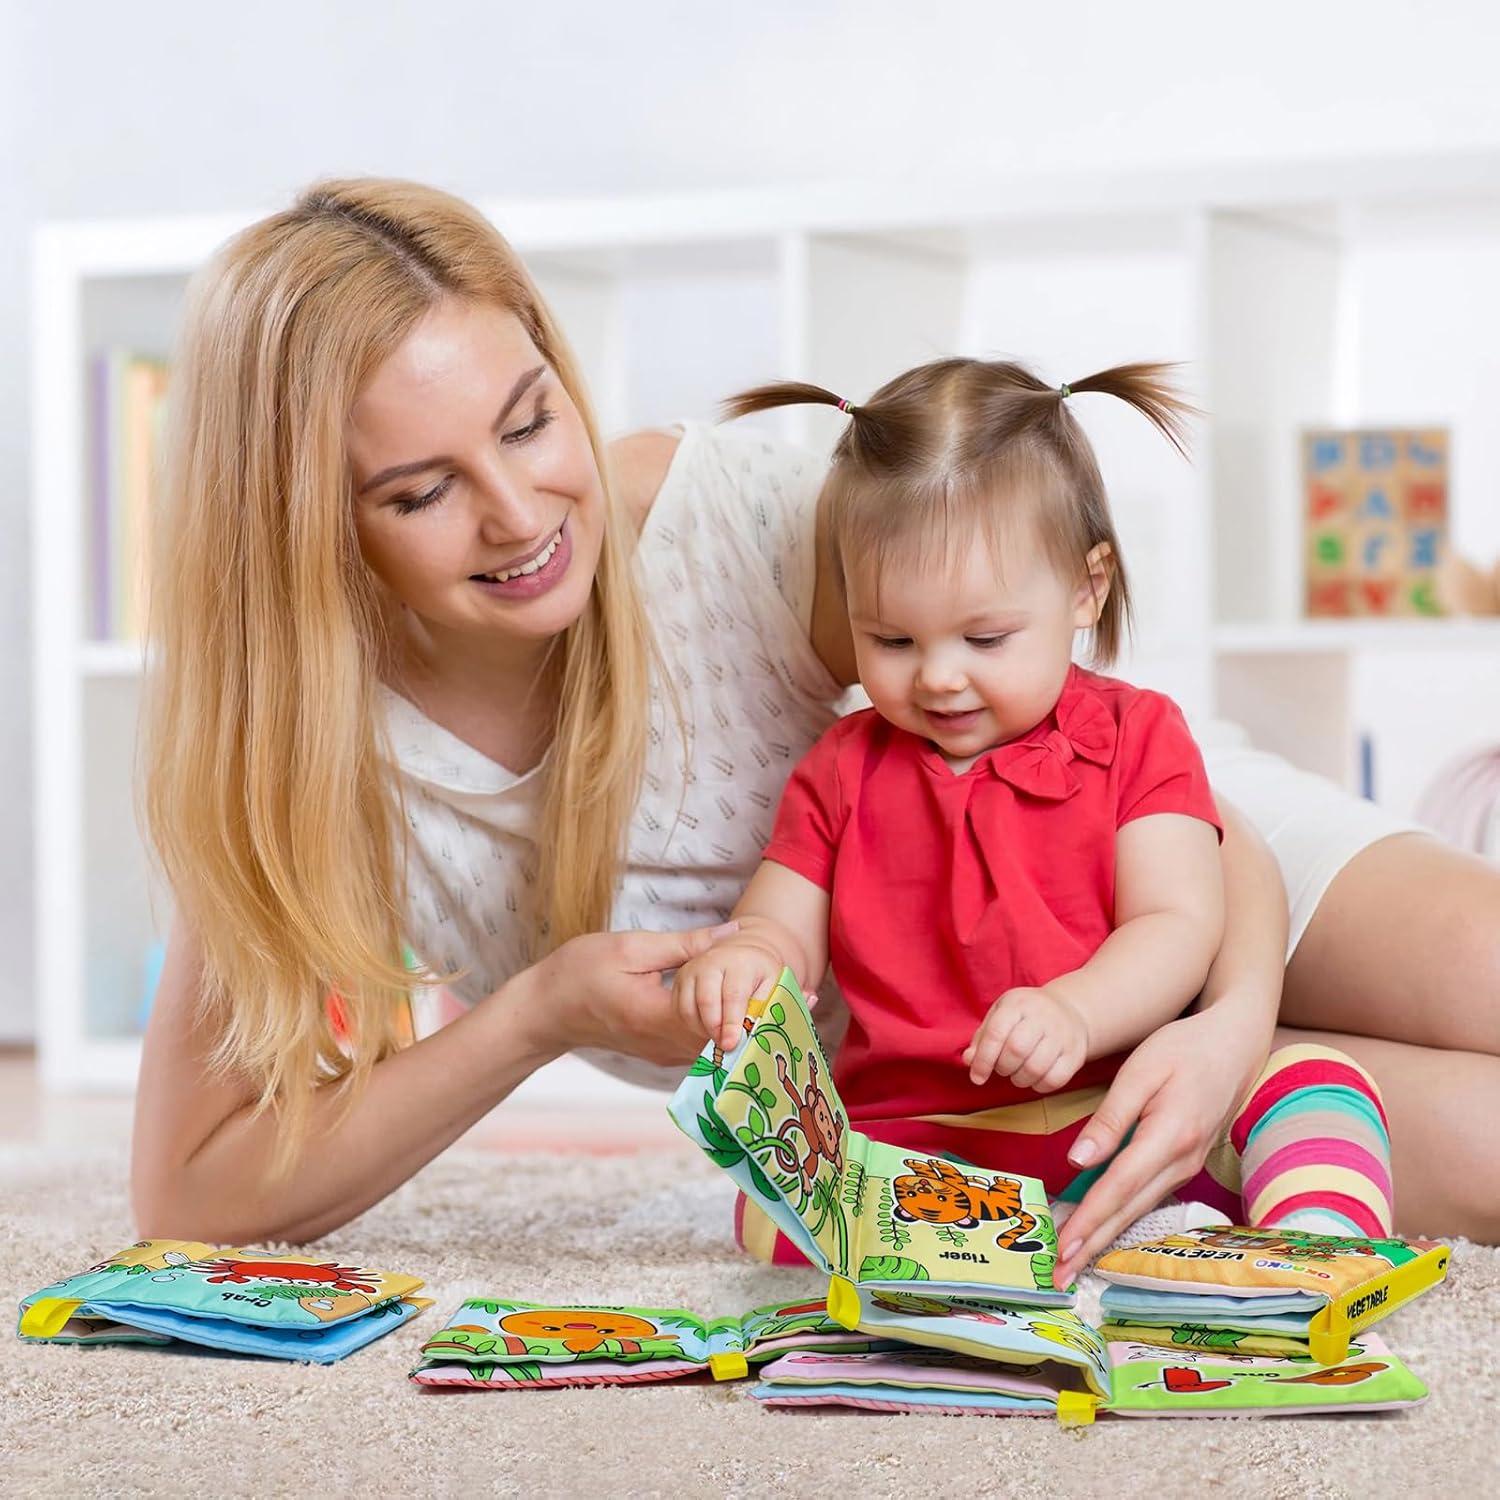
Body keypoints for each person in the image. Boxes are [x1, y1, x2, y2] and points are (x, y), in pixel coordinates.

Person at [132, 178, 1500, 1273]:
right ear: (305, 527)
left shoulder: (720, 526)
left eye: (531, 419)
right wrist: (534, 1017)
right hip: (976, 1090)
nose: (522, 514)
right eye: (423, 492)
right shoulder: (313, 765)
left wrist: (1225, 1023)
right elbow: (188, 1187)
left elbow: (1147, 774)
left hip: (1194, 867)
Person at [673, 362, 1395, 1281]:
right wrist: (748, 961)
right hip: (929, 1144)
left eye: (985, 639)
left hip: (1130, 1102)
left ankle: (1306, 1261)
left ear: (1086, 590)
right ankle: (1030, 1246)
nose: (937, 675)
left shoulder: (1140, 736)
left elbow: (1178, 922)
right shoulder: (841, 771)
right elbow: (783, 922)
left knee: (1319, 1085)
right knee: (767, 1203)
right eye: (891, 639)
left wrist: (1077, 1009)